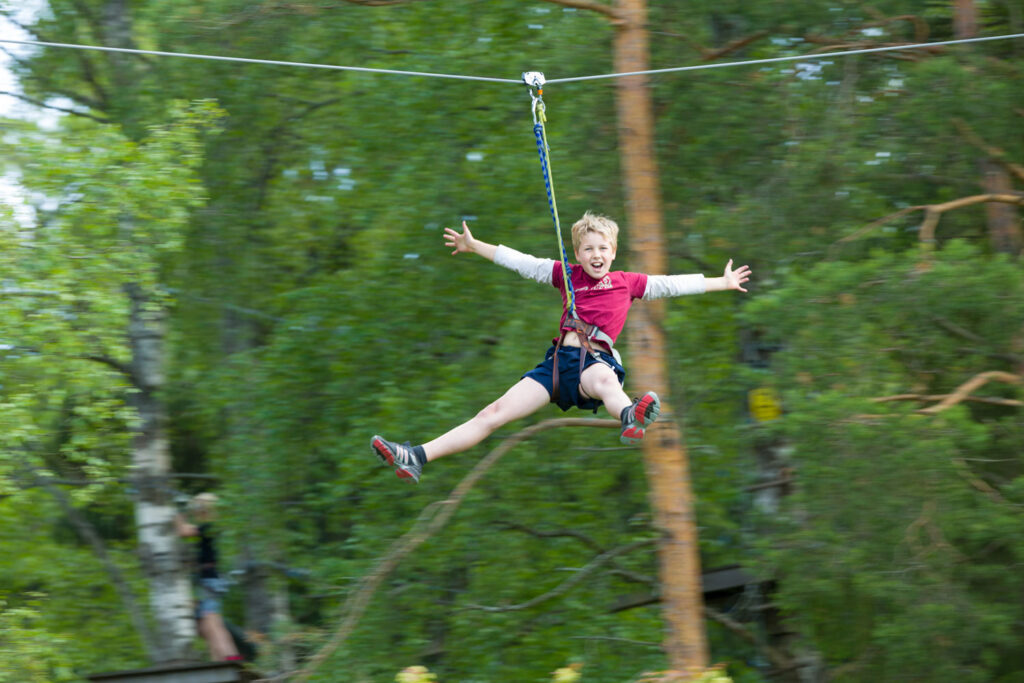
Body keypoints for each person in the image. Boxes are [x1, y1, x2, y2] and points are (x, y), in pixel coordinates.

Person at [371, 211, 751, 483]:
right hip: (556, 366)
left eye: (603, 248)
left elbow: (669, 285)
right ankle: (416, 456)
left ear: (614, 251)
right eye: (588, 249)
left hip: (593, 362)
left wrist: (720, 282)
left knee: (606, 382)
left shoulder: (627, 282)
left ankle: (630, 417)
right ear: (578, 253)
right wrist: (476, 246)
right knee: (494, 412)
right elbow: (523, 263)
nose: (596, 255)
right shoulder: (565, 275)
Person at [174, 493, 242, 662]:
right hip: (210, 580)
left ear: (203, 509)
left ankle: (229, 657)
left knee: (211, 622)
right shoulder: (210, 528)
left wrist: (179, 513)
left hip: (208, 581)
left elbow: (182, 531)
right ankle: (221, 659)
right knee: (206, 626)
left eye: (198, 507)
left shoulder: (209, 527)